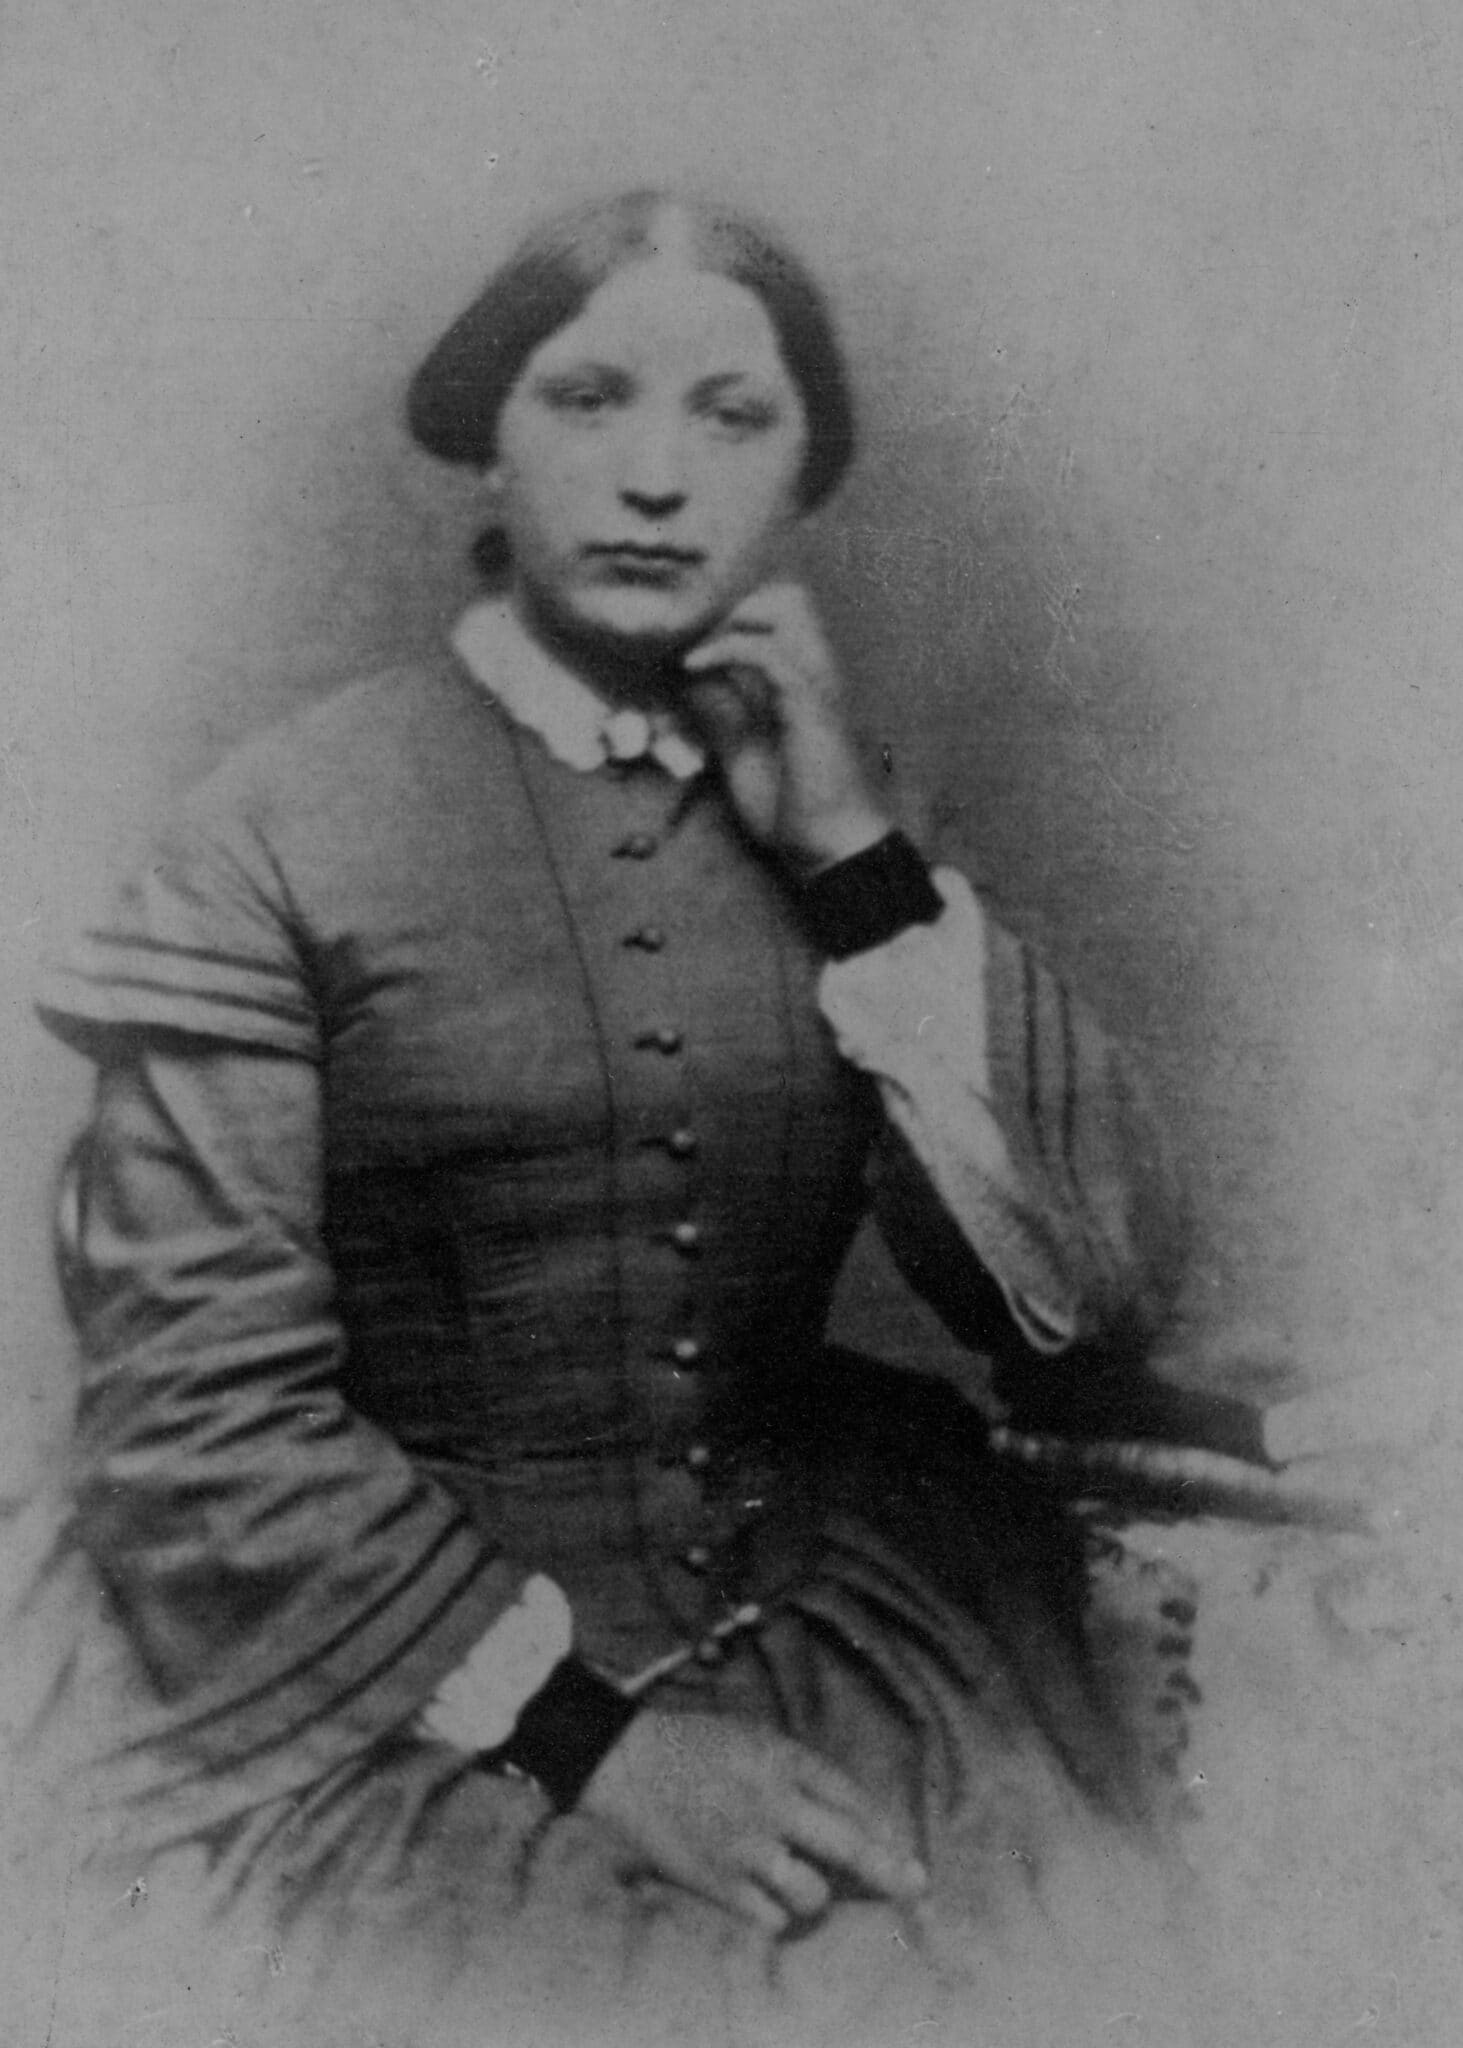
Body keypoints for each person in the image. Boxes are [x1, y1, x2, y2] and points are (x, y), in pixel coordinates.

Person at [30, 190, 1246, 2046]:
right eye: (589, 398)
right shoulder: (273, 833)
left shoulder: (842, 801)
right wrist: (590, 1746)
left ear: (801, 479)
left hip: (847, 1605)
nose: (657, 477)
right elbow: (192, 1413)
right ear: (491, 446)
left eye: (732, 417)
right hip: (388, 1673)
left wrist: (849, 855)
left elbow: (1097, 1291)